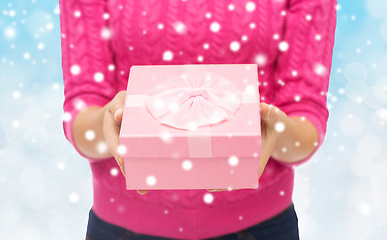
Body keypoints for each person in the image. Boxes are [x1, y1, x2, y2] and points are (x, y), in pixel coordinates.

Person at [59, 0, 336, 239]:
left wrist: (276, 130)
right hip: (122, 229)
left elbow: (305, 119)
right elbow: (83, 113)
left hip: (261, 228)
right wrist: (107, 122)